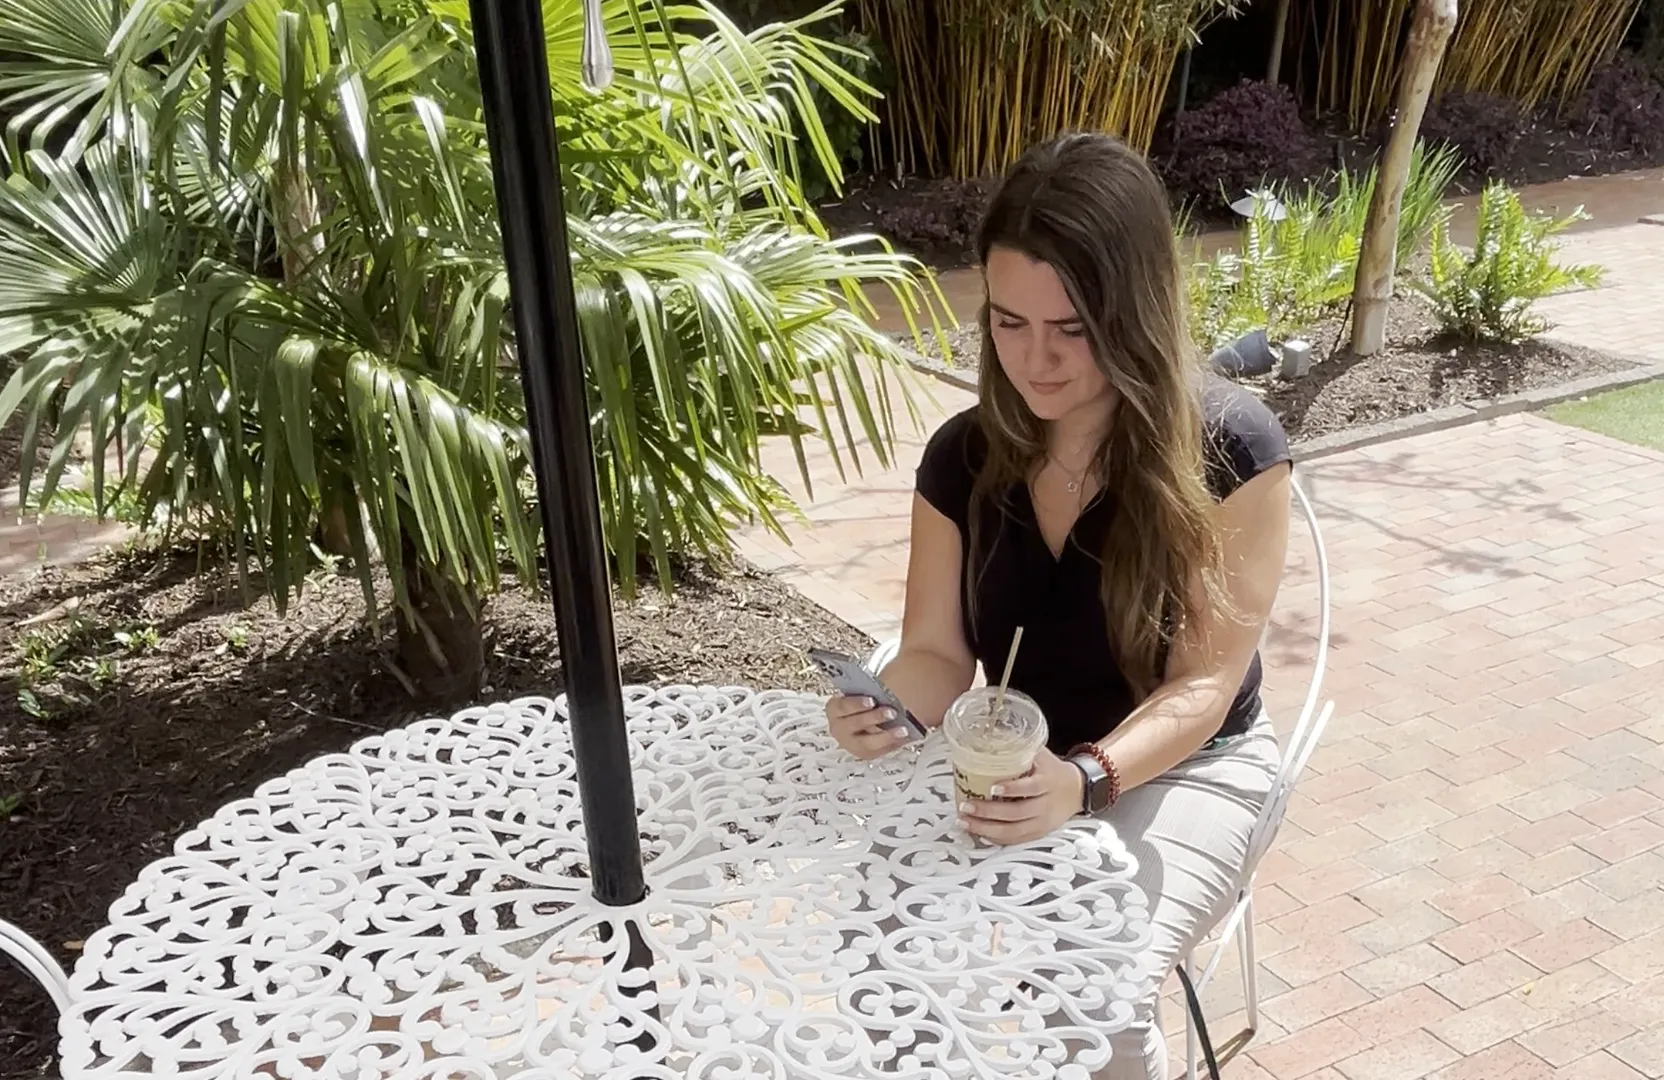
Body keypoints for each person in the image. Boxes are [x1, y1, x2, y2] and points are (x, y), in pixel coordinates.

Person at [824, 132, 1294, 1079]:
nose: (1034, 361)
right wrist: (884, 703)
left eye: (1070, 328)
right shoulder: (963, 456)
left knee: (1091, 988)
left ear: (1135, 311)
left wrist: (1083, 781)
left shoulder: (1233, 449)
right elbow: (936, 655)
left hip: (1183, 770)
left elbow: (1205, 685)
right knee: (880, 955)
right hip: (1002, 770)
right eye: (1007, 322)